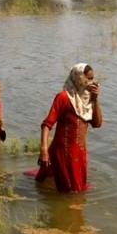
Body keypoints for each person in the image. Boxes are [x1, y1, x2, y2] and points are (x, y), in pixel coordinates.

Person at [36, 63, 103, 193]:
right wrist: (44, 150)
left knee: (78, 191)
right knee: (69, 194)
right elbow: (47, 124)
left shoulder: (87, 100)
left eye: (92, 78)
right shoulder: (64, 97)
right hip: (63, 153)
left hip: (80, 153)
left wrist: (95, 100)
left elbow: (97, 124)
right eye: (88, 78)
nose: (91, 82)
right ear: (78, 78)